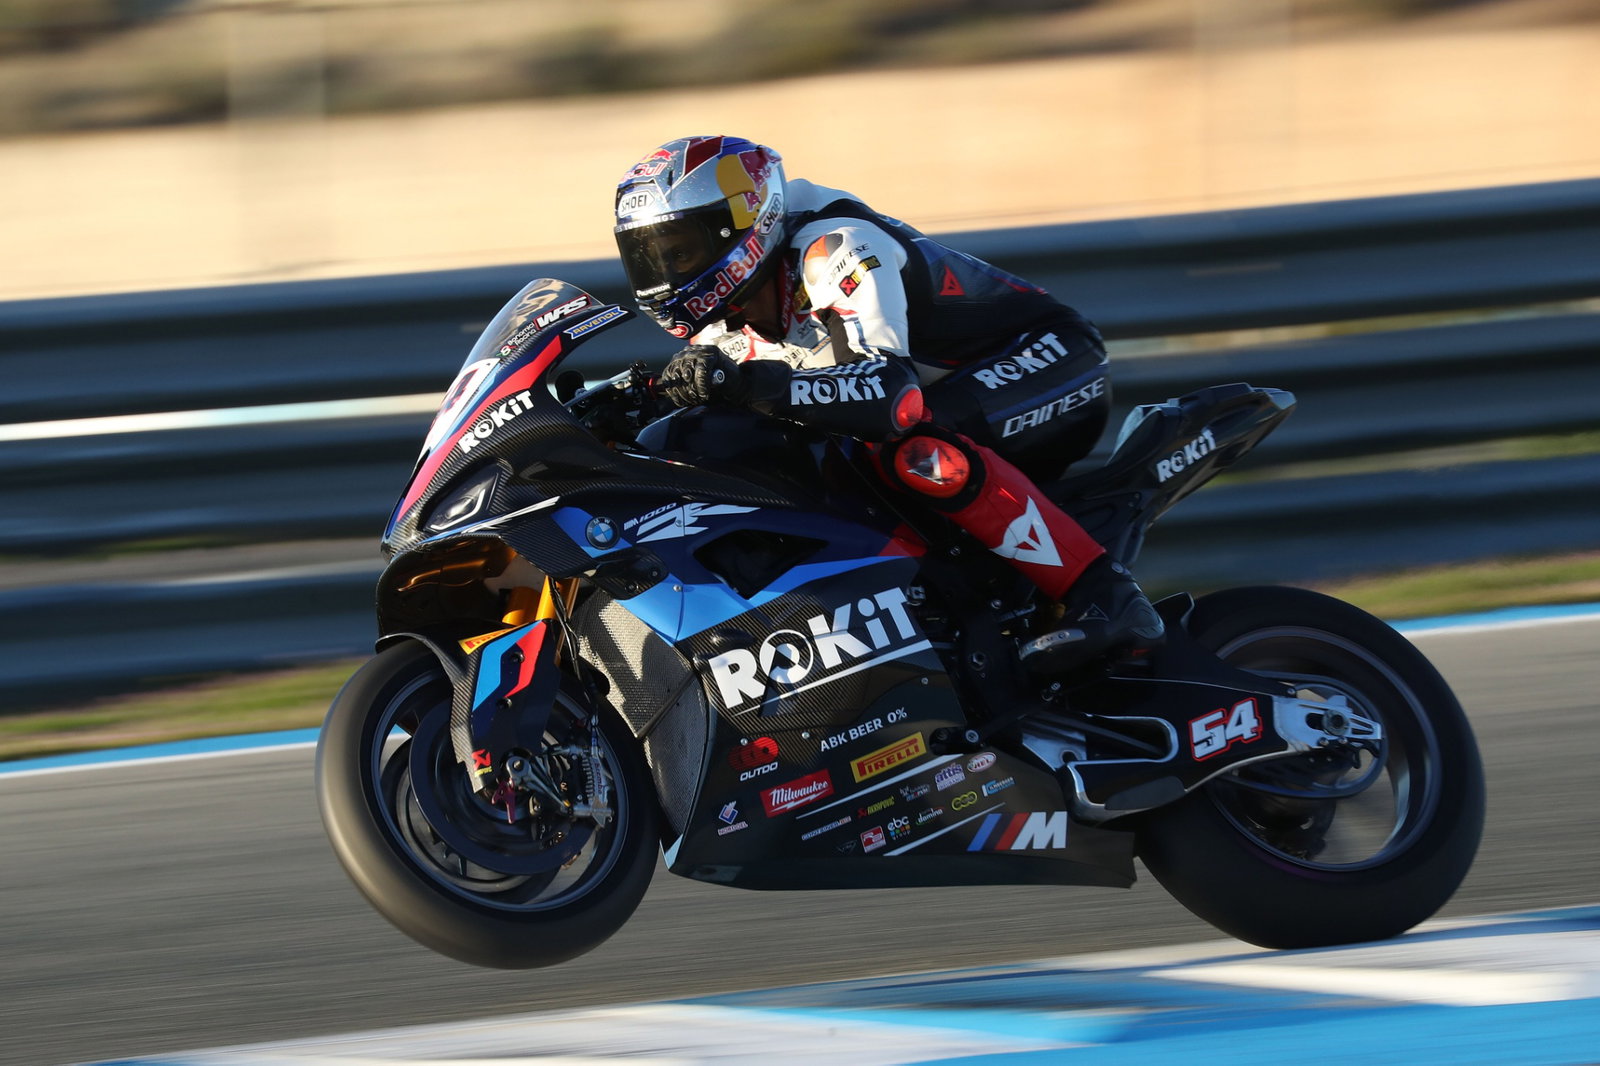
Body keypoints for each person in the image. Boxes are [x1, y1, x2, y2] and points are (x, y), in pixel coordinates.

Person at [613, 135, 1164, 674]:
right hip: (948, 391)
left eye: (680, 251)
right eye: (650, 258)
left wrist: (751, 386)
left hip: (1049, 361)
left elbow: (888, 395)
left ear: (744, 223)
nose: (666, 276)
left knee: (909, 447)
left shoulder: (836, 246)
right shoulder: (724, 316)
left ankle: (1107, 596)